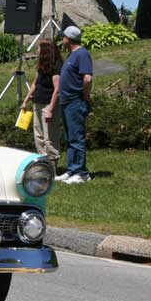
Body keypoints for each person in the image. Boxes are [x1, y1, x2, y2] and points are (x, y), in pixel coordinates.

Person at [56, 26, 94, 184]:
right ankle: (72, 169)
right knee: (70, 137)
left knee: (77, 137)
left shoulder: (82, 54)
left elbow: (87, 78)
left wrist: (85, 95)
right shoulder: (72, 55)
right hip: (66, 102)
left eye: (63, 37)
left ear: (69, 39)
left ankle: (82, 173)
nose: (61, 39)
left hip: (75, 102)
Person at [22, 39, 62, 169]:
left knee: (49, 137)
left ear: (46, 50)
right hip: (37, 103)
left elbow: (57, 89)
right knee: (38, 135)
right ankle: (43, 163)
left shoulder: (56, 65)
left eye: (39, 48)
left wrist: (50, 108)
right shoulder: (41, 64)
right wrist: (26, 99)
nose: (37, 50)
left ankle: (52, 166)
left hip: (48, 105)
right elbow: (35, 83)